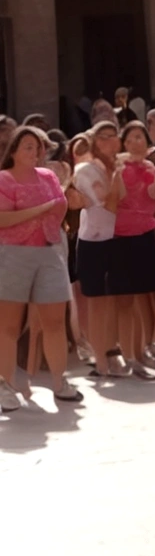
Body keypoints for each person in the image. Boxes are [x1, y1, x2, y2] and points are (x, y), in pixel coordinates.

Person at [0, 126, 78, 409]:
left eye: (37, 147)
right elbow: (3, 220)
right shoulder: (4, 179)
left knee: (55, 321)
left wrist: (53, 209)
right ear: (15, 152)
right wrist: (40, 210)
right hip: (14, 254)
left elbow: (60, 208)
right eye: (28, 147)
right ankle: (5, 386)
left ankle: (60, 382)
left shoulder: (48, 176)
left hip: (48, 252)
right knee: (8, 326)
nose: (34, 152)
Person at [71, 120, 127, 378]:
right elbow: (108, 204)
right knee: (95, 301)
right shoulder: (84, 169)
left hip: (117, 238)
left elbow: (124, 198)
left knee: (114, 300)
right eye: (102, 137)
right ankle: (100, 360)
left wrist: (117, 171)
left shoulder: (118, 165)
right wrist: (116, 173)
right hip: (92, 241)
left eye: (112, 136)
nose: (108, 142)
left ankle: (114, 352)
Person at [110, 120, 155, 377]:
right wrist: (118, 170)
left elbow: (154, 195)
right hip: (121, 237)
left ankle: (140, 351)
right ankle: (127, 353)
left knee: (143, 297)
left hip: (145, 235)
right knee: (124, 300)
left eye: (139, 137)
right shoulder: (118, 166)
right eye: (129, 138)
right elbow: (117, 197)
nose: (134, 142)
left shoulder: (151, 167)